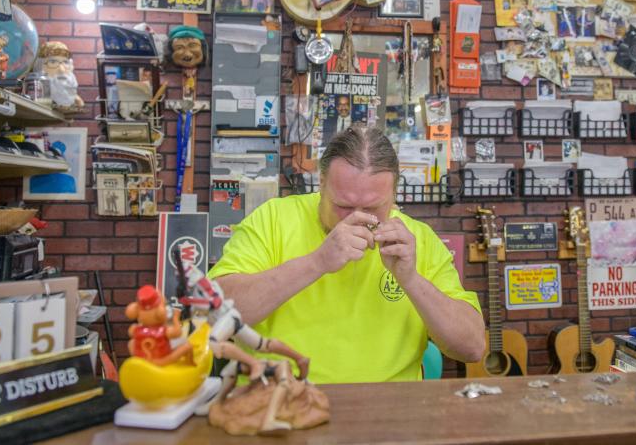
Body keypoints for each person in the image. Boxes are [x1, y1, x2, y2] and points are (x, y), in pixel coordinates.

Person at [208, 126, 485, 383]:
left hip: (388, 413)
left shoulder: (417, 240)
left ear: (394, 192)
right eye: (343, 205)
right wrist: (318, 262)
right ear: (322, 183)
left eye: (374, 207)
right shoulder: (273, 219)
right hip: (279, 397)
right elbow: (215, 315)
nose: (358, 218)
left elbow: (472, 348)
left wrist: (411, 279)